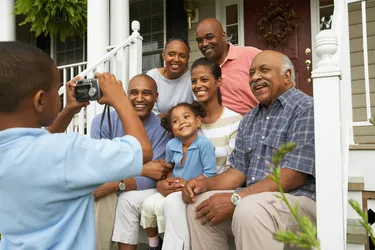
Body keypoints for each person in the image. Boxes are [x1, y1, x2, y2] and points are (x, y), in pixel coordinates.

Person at [0, 41, 153, 250]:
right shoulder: (67, 152)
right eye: (57, 90)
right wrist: (120, 100)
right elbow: (142, 150)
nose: (61, 95)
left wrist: (68, 110)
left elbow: (36, 145)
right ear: (40, 100)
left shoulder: (14, 152)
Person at [182, 50, 316, 250]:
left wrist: (237, 198)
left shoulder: (305, 108)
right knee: (199, 207)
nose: (255, 77)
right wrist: (204, 185)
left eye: (264, 70)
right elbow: (237, 172)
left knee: (248, 209)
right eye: (251, 73)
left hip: (297, 203)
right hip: (253, 203)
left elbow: (292, 177)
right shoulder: (249, 119)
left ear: (287, 76)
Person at [161, 57, 243, 250]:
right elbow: (173, 162)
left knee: (179, 204)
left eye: (204, 80)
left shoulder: (234, 121)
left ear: (219, 82)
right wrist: (163, 183)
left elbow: (234, 172)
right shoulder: (185, 121)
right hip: (187, 187)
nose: (198, 85)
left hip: (216, 187)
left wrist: (199, 185)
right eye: (194, 81)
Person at [91, 74, 173, 250]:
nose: (140, 98)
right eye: (134, 93)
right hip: (110, 185)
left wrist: (116, 183)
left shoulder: (162, 128)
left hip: (134, 188)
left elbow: (156, 174)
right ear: (127, 95)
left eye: (147, 93)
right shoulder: (102, 121)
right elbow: (99, 166)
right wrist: (143, 169)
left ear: (156, 97)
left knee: (107, 193)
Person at [140, 102, 217, 250]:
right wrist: (168, 179)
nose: (181, 121)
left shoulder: (204, 144)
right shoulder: (171, 145)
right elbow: (171, 168)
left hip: (195, 190)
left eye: (186, 117)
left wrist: (188, 183)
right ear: (172, 130)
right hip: (175, 187)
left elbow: (210, 174)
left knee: (171, 203)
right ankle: (154, 244)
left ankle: (180, 246)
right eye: (175, 121)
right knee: (147, 205)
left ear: (198, 121)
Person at [196, 18, 261, 116]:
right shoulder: (203, 70)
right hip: (220, 127)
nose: (204, 44)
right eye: (199, 40)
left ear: (223, 36)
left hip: (254, 124)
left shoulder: (250, 55)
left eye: (209, 37)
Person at [147, 38, 194, 117]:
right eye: (171, 54)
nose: (176, 59)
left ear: (187, 59)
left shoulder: (193, 77)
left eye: (182, 56)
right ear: (164, 56)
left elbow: (197, 108)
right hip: (157, 126)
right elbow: (149, 112)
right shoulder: (152, 76)